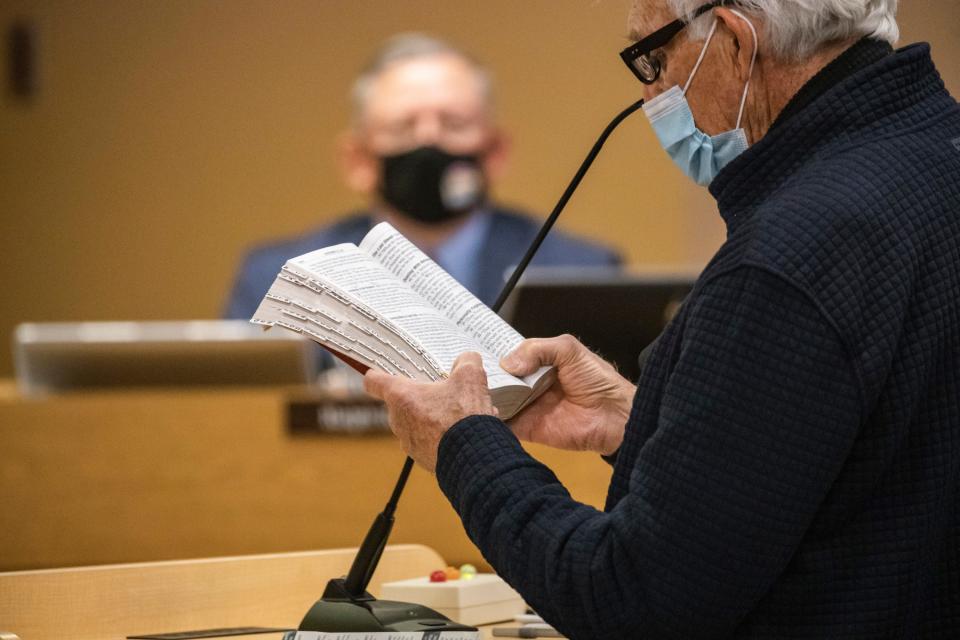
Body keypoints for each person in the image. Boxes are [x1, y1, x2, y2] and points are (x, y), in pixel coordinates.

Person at [364, 1, 960, 638]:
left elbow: (632, 601)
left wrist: (465, 446)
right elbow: (863, 459)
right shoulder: (934, 160)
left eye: (652, 58)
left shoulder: (787, 257)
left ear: (733, 40)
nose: (650, 95)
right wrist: (642, 421)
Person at [224, 33, 621, 320]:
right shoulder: (281, 276)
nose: (429, 139)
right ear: (358, 161)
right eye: (402, 127)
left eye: (454, 124)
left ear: (496, 151)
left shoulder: (581, 271)